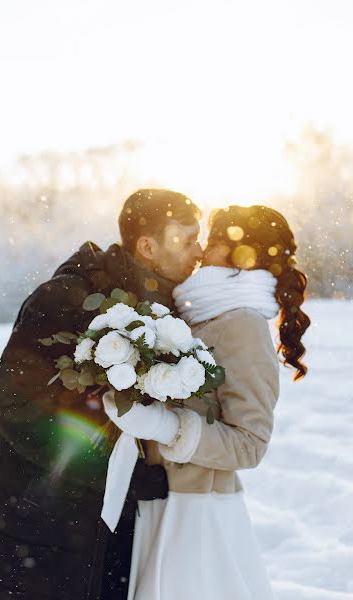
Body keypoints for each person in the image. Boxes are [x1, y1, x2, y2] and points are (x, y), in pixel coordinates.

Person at [0, 189, 203, 600]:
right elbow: (21, 408)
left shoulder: (164, 311)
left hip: (106, 534)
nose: (199, 250)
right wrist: (114, 475)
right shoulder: (66, 299)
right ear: (147, 245)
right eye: (188, 238)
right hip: (34, 530)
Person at [103, 204, 311, 599]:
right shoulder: (198, 313)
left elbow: (250, 444)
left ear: (241, 256)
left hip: (198, 514)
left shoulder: (243, 324)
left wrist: (166, 427)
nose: (200, 252)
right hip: (157, 504)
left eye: (212, 242)